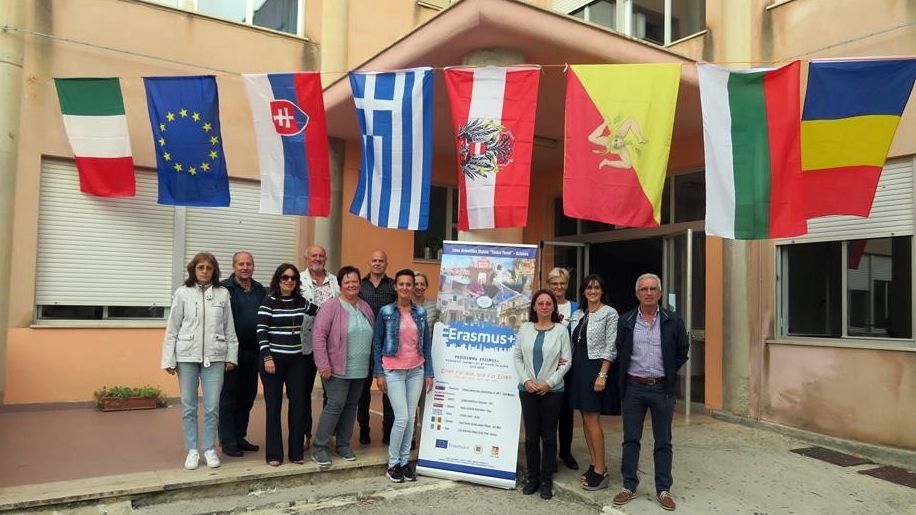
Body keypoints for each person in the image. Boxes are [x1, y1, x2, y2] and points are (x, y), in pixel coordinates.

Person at [612, 273, 689, 512]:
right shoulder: (625, 321)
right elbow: (619, 350)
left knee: (663, 441)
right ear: (637, 294)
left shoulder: (672, 320)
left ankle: (663, 489)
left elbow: (682, 350)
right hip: (633, 387)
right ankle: (629, 485)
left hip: (661, 388)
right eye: (643, 289)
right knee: (631, 439)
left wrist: (668, 370)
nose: (648, 293)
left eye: (652, 289)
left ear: (660, 293)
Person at [161, 252, 239, 470]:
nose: (205, 271)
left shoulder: (222, 294)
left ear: (214, 271)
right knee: (188, 406)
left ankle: (209, 449)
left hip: (215, 357)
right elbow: (173, 328)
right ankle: (193, 450)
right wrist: (169, 358)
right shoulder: (182, 293)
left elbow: (229, 327)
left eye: (209, 268)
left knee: (213, 406)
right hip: (187, 356)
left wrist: (231, 355)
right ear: (193, 270)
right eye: (201, 267)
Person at [372, 269, 434, 483]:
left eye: (409, 284)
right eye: (403, 284)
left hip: (416, 370)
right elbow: (377, 342)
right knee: (402, 418)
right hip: (393, 371)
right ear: (396, 287)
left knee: (410, 419)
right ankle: (392, 464)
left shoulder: (421, 313)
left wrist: (429, 372)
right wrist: (378, 372)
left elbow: (425, 344)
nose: (406, 288)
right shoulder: (386, 311)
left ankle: (405, 462)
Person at [312, 266, 375, 468]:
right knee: (335, 404)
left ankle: (343, 444)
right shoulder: (331, 307)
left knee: (351, 406)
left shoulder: (365, 307)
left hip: (360, 368)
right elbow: (319, 337)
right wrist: (323, 364)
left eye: (355, 281)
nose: (351, 285)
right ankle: (320, 446)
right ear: (340, 285)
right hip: (336, 367)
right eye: (347, 281)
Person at [257, 264, 320, 466]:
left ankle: (296, 453)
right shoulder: (269, 301)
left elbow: (323, 313)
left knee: (299, 405)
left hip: (297, 361)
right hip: (273, 361)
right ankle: (274, 454)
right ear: (278, 280)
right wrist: (267, 357)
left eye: (293, 278)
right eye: (285, 277)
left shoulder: (302, 302)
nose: (289, 281)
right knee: (273, 407)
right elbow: (261, 331)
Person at [513, 290, 571, 501]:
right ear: (535, 307)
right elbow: (517, 356)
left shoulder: (561, 331)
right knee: (530, 437)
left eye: (549, 303)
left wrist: (549, 383)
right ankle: (533, 477)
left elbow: (566, 361)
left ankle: (546, 479)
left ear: (554, 307)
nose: (545, 306)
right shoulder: (525, 328)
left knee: (548, 436)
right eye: (541, 303)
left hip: (552, 391)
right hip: (527, 390)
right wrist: (526, 380)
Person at [568, 274, 619, 490]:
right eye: (589, 287)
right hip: (577, 368)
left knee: (592, 419)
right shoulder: (578, 313)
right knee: (585, 419)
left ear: (602, 291)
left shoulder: (610, 313)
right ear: (583, 291)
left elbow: (611, 345)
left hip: (594, 368)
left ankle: (601, 469)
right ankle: (592, 463)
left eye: (597, 288)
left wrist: (602, 374)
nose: (592, 291)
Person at [218, 251, 267, 458]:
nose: (245, 267)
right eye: (241, 264)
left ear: (253, 267)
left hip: (253, 352)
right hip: (230, 353)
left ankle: (240, 435)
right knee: (228, 397)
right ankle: (228, 441)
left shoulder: (259, 290)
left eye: (249, 264)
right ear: (234, 266)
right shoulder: (223, 289)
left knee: (247, 396)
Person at [299, 245, 340, 449]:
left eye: (321, 255)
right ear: (306, 258)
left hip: (331, 344)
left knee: (331, 392)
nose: (317, 258)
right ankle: (305, 433)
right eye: (313, 255)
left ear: (326, 258)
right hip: (305, 343)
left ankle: (329, 432)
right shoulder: (297, 280)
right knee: (303, 390)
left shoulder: (335, 280)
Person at [358, 250, 397, 445]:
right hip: (362, 344)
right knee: (362, 390)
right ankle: (364, 428)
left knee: (388, 388)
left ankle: (387, 430)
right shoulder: (360, 285)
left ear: (386, 264)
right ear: (369, 263)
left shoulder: (392, 287)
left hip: (386, 344)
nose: (377, 263)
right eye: (374, 260)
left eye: (381, 260)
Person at [546, 267, 579, 470]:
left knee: (567, 414)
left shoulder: (576, 308)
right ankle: (549, 454)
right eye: (555, 283)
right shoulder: (543, 304)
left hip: (569, 369)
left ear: (567, 285)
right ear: (549, 285)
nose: (559, 287)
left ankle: (565, 452)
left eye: (562, 283)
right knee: (549, 413)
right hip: (546, 368)